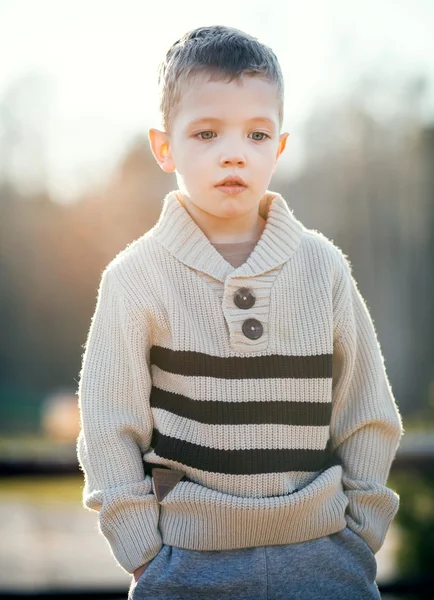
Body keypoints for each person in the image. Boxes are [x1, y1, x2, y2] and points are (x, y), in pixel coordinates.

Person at [76, 25, 403, 600]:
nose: (234, 152)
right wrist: (143, 552)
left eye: (256, 134)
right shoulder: (134, 279)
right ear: (164, 146)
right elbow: (107, 428)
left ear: (278, 148)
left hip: (325, 559)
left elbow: (367, 412)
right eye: (206, 133)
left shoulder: (322, 268)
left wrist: (361, 530)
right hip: (186, 566)